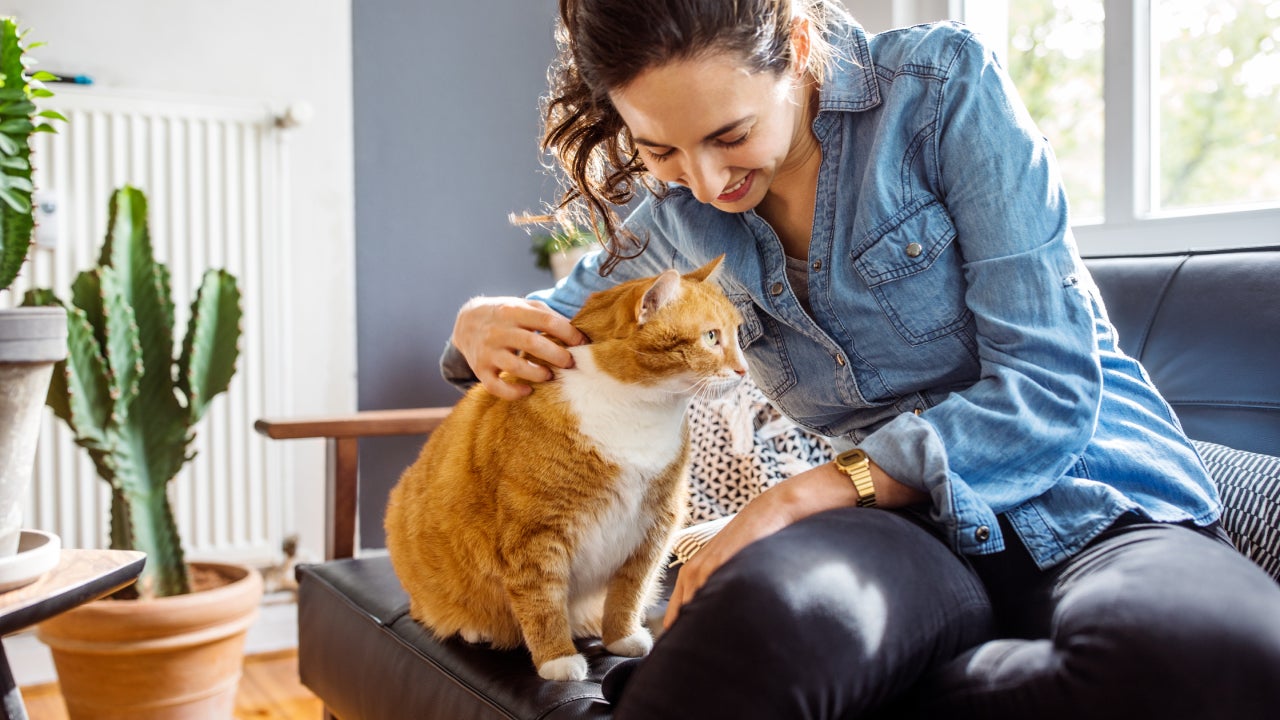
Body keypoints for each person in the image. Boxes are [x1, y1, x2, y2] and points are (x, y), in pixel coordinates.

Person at [444, 1, 1280, 718]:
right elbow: (555, 319)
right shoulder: (671, 210)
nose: (700, 181)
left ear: (799, 48)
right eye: (659, 149)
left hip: (1094, 494)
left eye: (730, 134)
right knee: (758, 635)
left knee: (1210, 657)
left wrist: (798, 499)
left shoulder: (942, 90)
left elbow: (1049, 387)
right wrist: (479, 322)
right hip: (902, 539)